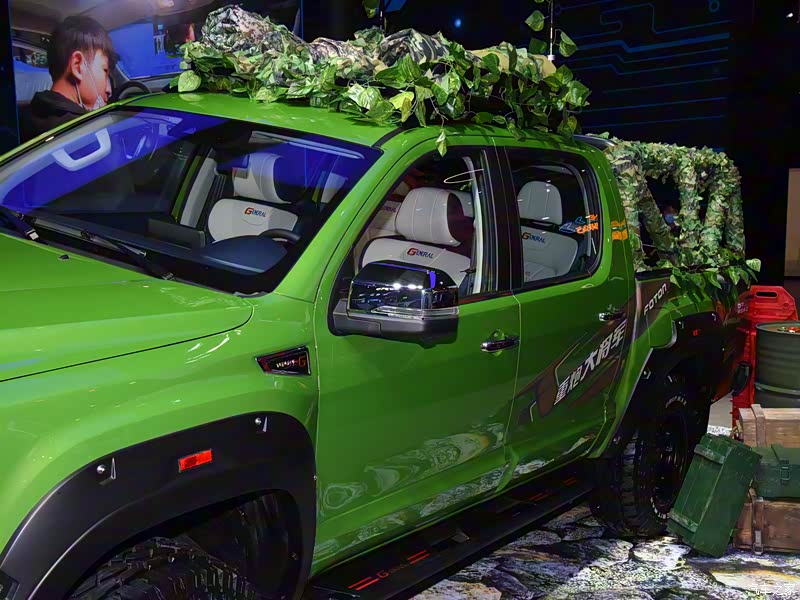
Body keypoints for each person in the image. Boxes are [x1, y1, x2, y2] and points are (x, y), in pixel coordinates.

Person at [19, 16, 117, 142]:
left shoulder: (26, 115)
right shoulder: (88, 133)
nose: (108, 89)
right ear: (77, 65)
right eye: (105, 70)